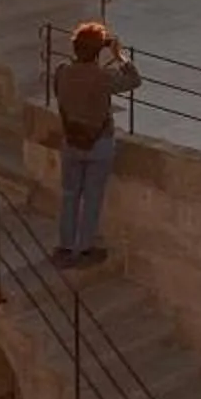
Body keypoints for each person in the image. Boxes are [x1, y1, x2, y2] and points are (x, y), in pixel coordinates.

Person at [52, 20, 140, 266]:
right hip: (98, 142)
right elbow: (134, 80)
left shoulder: (62, 71)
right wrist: (119, 55)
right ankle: (84, 248)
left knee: (70, 193)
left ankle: (65, 245)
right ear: (98, 50)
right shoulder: (103, 77)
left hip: (71, 140)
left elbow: (59, 94)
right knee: (92, 196)